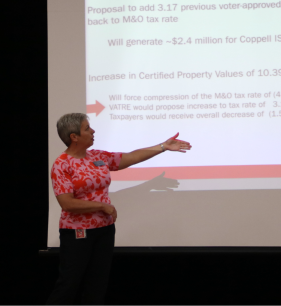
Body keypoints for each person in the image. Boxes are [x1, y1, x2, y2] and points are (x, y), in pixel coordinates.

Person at [46, 113, 192, 306]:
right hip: (77, 232)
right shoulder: (62, 164)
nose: (93, 131)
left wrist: (163, 147)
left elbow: (130, 157)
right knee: (69, 285)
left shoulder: (97, 156)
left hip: (104, 230)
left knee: (97, 286)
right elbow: (67, 203)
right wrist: (102, 205)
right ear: (74, 137)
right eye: (87, 128)